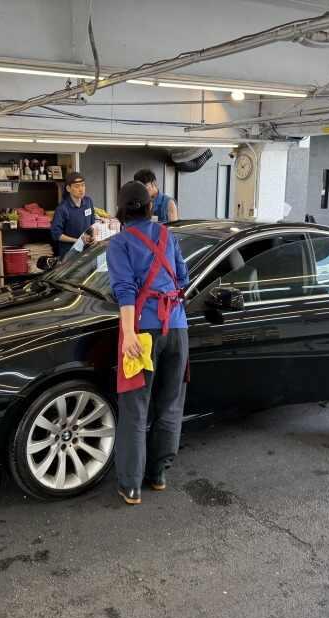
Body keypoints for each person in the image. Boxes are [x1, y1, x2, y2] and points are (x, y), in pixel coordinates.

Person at [106, 181, 190, 505]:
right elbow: (182, 279)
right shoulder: (169, 236)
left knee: (135, 409)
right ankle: (158, 475)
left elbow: (125, 291)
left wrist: (128, 335)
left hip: (141, 332)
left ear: (122, 209)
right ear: (149, 206)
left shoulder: (120, 243)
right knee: (170, 405)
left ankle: (130, 485)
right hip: (178, 329)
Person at [51, 171, 96, 258]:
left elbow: (92, 223)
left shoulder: (88, 201)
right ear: (68, 188)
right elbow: (56, 235)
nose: (81, 189)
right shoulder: (62, 209)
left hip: (87, 250)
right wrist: (78, 240)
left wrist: (93, 236)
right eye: (77, 186)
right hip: (69, 253)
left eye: (83, 185)